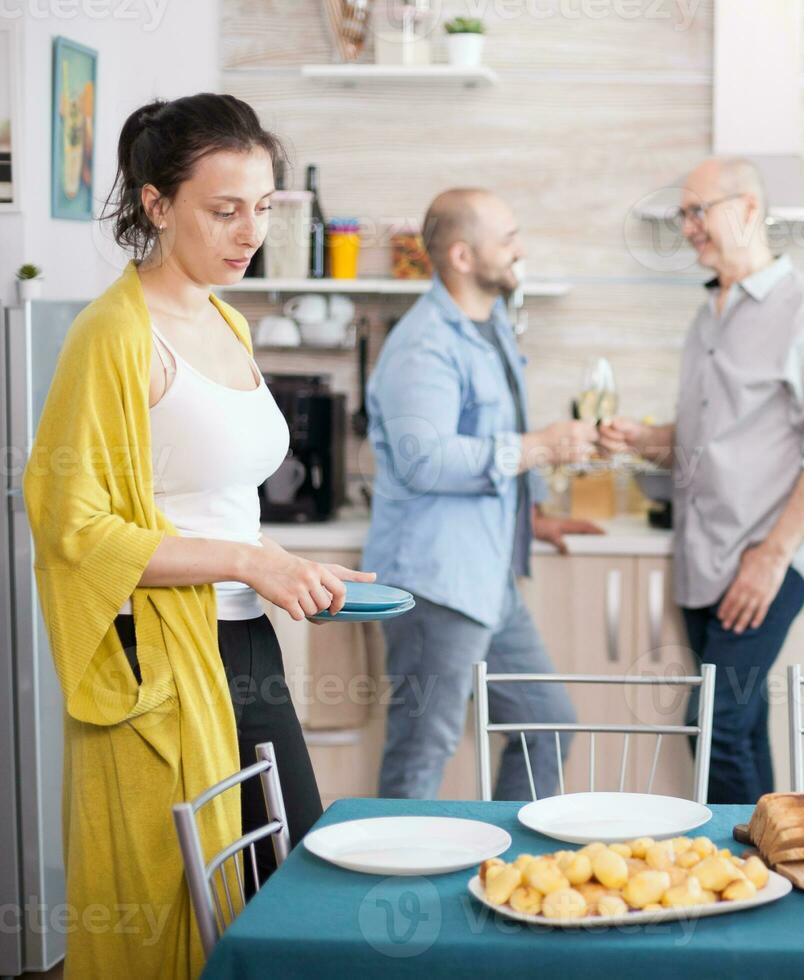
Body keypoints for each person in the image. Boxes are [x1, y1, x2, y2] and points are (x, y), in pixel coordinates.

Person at [24, 94, 375, 978]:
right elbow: (72, 525)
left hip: (242, 639)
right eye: (224, 210)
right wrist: (250, 562)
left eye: (262, 207)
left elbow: (217, 501)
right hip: (164, 655)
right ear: (155, 204)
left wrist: (282, 566)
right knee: (197, 903)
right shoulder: (112, 336)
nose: (248, 231)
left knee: (284, 880)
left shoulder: (225, 319)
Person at [602, 158, 804, 804]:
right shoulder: (709, 317)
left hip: (765, 556)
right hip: (705, 554)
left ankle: (734, 880)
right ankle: (776, 865)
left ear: (748, 209)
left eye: (698, 211)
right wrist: (644, 439)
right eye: (682, 214)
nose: (687, 228)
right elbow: (706, 438)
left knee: (717, 728)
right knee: (739, 726)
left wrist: (772, 557)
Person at [365, 188, 603, 801]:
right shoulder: (424, 346)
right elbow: (426, 459)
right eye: (508, 238)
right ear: (463, 256)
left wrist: (534, 514)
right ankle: (390, 891)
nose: (520, 249)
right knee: (422, 752)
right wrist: (543, 446)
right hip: (435, 582)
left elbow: (490, 437)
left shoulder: (491, 325)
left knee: (544, 722)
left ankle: (515, 878)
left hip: (487, 576)